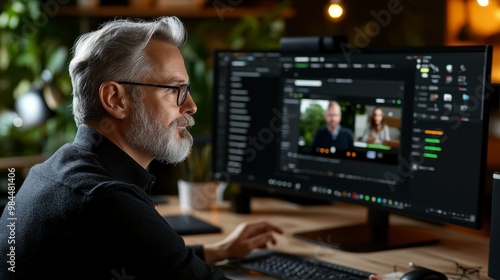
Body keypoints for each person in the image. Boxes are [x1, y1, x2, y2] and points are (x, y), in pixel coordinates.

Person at [0, 17, 283, 280]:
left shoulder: (51, 172)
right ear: (115, 99)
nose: (191, 105)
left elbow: (141, 260)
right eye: (175, 90)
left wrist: (217, 251)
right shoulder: (108, 200)